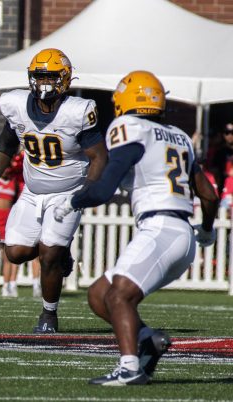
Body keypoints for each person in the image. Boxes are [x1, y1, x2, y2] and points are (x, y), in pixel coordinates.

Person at [53, 70, 219, 385]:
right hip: (179, 231)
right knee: (99, 294)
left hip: (160, 227)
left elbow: (102, 190)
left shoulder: (129, 127)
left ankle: (129, 368)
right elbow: (209, 195)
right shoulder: (180, 136)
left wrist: (74, 201)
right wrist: (208, 230)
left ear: (126, 101)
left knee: (118, 296)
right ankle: (147, 339)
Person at [0, 48, 107, 333]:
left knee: (48, 253)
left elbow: (99, 156)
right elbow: (5, 143)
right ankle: (62, 254)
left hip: (68, 192)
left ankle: (49, 314)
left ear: (64, 80)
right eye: (40, 77)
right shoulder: (15, 104)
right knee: (15, 253)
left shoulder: (76, 111)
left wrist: (86, 190)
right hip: (32, 191)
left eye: (50, 77)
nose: (44, 84)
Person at [0, 146, 24, 298]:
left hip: (8, 223)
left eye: (8, 167)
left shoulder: (14, 183)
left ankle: (6, 286)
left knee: (8, 257)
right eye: (5, 167)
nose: (7, 170)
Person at [211, 122, 233, 194]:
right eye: (227, 132)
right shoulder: (219, 151)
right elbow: (213, 168)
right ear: (223, 134)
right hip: (223, 186)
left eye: (232, 133)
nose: (230, 135)